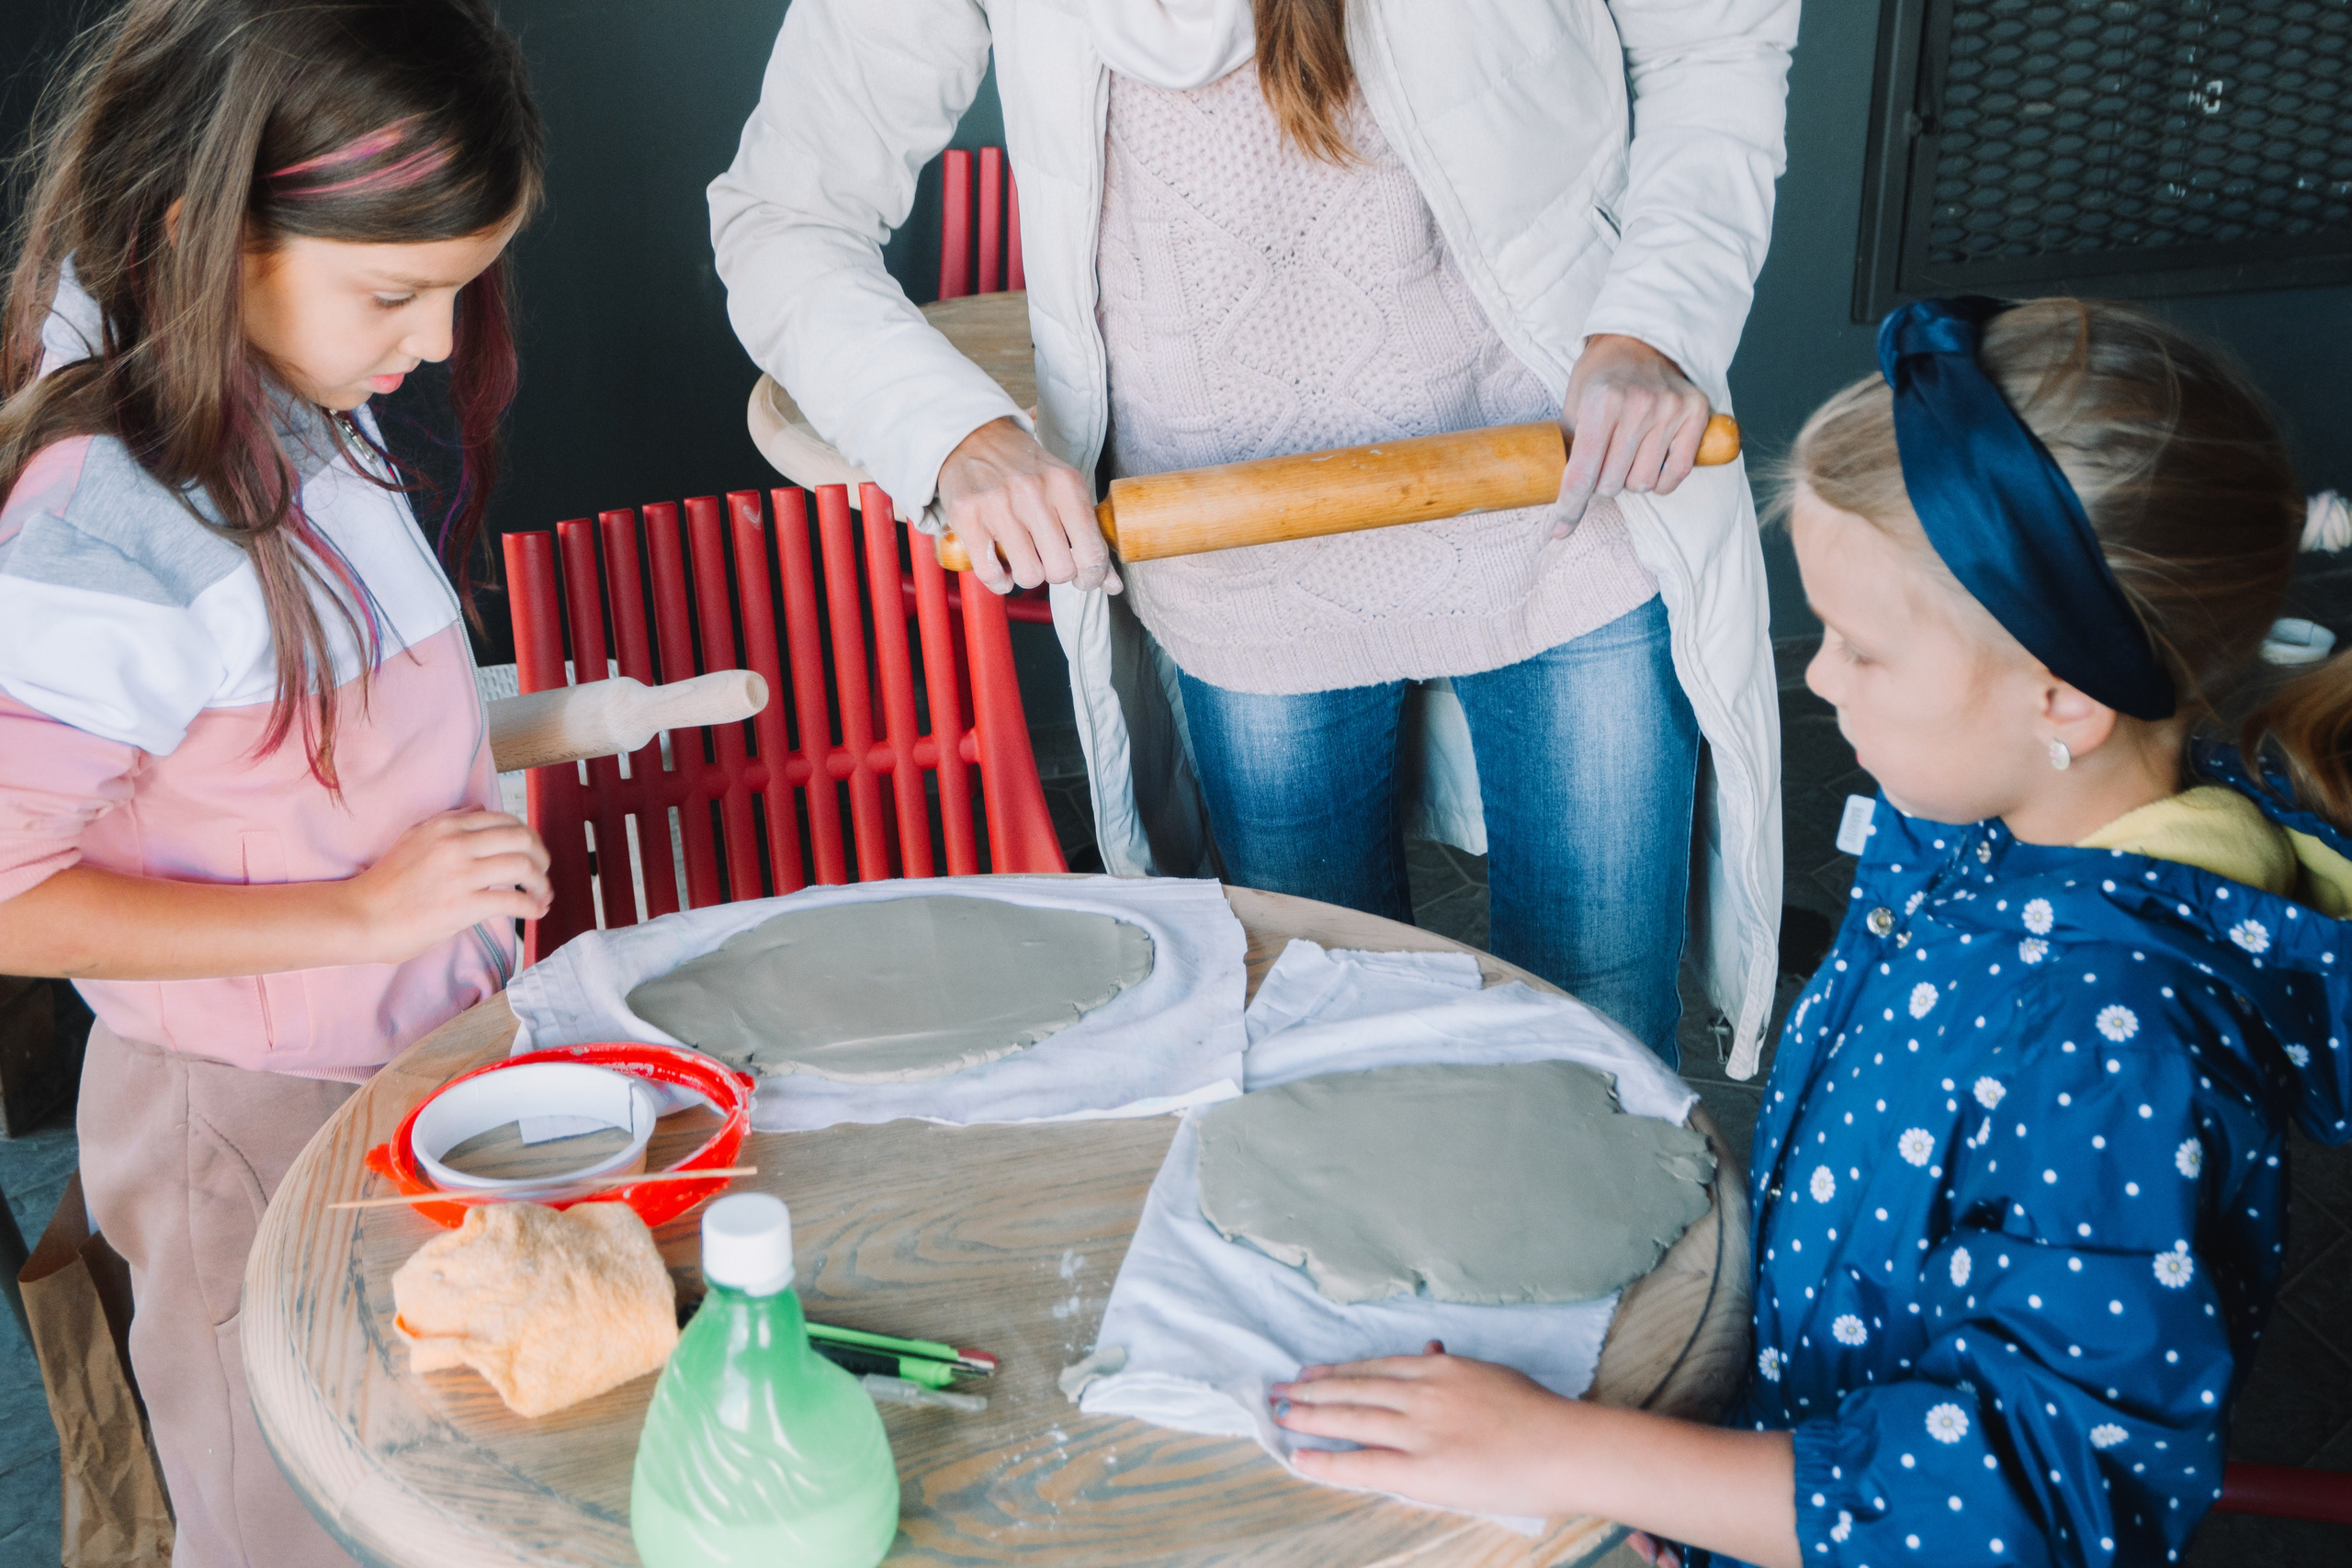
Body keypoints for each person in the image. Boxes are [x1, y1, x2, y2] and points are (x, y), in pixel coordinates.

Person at [1261, 297, 2352, 1567]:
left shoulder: (2127, 1049)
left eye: (1862, 651)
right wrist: (1700, 1475)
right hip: (1776, 1454)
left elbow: (2027, 1506)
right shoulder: (1996, 827)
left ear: (2064, 694)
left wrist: (1563, 1449)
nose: (1819, 678)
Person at [709, 0, 1799, 1067]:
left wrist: (1652, 324)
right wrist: (955, 435)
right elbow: (785, 218)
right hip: (1232, 549)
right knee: (1326, 1050)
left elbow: (1713, 41)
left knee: (1598, 1034)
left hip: (1568, 497)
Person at [0, 4, 547, 1562]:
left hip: (375, 1076)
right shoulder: (110, 521)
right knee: (276, 1516)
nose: (438, 342)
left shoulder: (298, 403)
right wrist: (365, 906)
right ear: (209, 235)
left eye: (457, 286)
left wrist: (531, 736)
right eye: (401, 290)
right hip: (238, 1123)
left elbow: (282, 734)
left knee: (399, 1476)